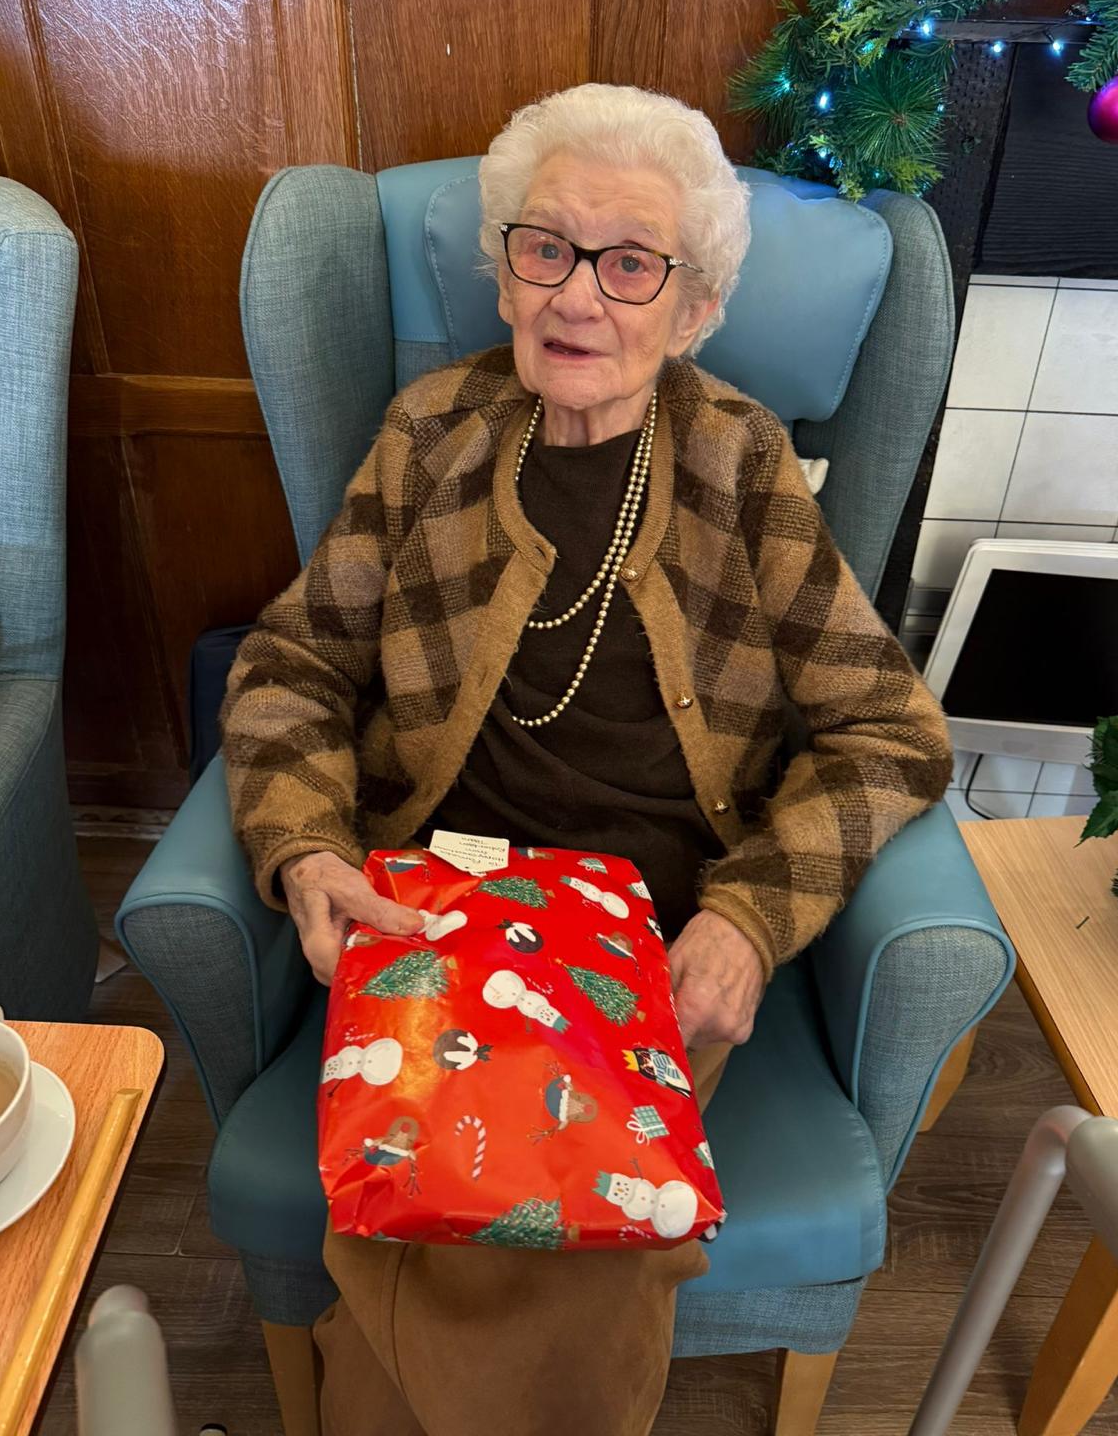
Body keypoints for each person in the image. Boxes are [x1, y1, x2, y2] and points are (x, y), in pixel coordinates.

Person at [220, 82, 954, 1435]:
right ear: (503, 271)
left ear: (695, 308)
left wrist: (749, 918)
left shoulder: (743, 466)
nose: (576, 297)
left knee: (572, 1203)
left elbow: (890, 731)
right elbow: (292, 665)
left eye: (631, 265)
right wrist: (307, 848)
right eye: (546, 247)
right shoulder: (430, 433)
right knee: (435, 1176)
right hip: (433, 911)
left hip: (647, 942)